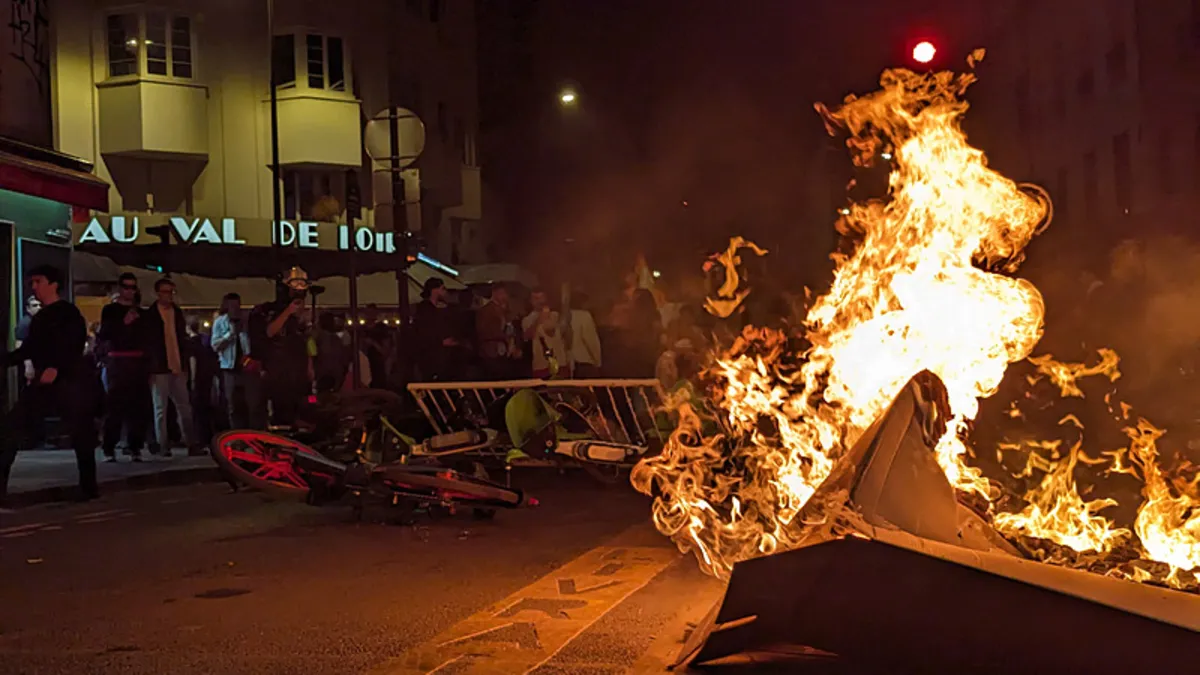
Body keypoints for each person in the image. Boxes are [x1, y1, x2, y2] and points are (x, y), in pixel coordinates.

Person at [0, 265, 98, 503]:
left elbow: (74, 345)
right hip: (45, 382)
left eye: (38, 281)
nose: (34, 287)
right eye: (32, 282)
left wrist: (57, 367)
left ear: (53, 284)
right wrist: (7, 360)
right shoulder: (41, 318)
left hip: (68, 382)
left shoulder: (68, 313)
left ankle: (88, 487)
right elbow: (30, 348)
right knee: (10, 430)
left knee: (81, 433)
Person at [248, 267, 313, 426]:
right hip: (278, 371)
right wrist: (288, 312)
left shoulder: (302, 320)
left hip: (299, 372)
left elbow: (307, 343)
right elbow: (270, 332)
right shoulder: (269, 312)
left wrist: (310, 367)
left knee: (306, 405)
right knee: (282, 410)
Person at [96, 272, 150, 462]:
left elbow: (146, 338)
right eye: (126, 287)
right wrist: (123, 323)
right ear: (120, 288)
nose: (129, 291)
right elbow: (105, 334)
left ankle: (135, 446)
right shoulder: (110, 310)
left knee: (138, 407)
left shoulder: (141, 313)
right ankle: (109, 447)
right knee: (115, 406)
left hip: (137, 362)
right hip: (118, 362)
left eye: (132, 287)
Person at [144, 277, 200, 456]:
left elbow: (181, 339)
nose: (168, 296)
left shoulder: (176, 313)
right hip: (160, 367)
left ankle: (190, 443)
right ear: (158, 293)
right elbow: (150, 344)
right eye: (165, 292)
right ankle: (163, 445)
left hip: (176, 365)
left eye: (171, 292)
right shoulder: (151, 316)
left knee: (183, 407)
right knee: (161, 408)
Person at [210, 292, 258, 429]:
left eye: (237, 304)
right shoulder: (220, 322)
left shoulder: (246, 320)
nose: (235, 308)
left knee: (251, 404)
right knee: (232, 404)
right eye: (231, 305)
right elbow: (215, 345)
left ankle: (252, 432)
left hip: (247, 368)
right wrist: (230, 335)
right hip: (229, 368)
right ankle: (235, 432)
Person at [414, 278, 465, 381]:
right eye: (443, 288)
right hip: (431, 358)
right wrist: (441, 342)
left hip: (436, 356)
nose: (445, 292)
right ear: (435, 290)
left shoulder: (432, 309)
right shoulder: (425, 310)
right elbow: (423, 334)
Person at [475, 284, 522, 380]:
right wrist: (505, 338)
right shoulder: (486, 311)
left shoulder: (505, 310)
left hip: (503, 351)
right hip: (492, 352)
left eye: (505, 294)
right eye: (502, 293)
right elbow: (485, 331)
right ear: (494, 294)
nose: (505, 296)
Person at [522, 287, 569, 379]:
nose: (539, 301)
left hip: (559, 363)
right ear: (530, 301)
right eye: (535, 298)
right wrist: (539, 319)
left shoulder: (555, 315)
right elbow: (527, 336)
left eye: (541, 298)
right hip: (541, 365)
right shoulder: (527, 320)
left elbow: (552, 331)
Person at [568, 290, 603, 379]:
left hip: (569, 365)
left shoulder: (563, 316)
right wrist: (598, 362)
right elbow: (591, 341)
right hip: (584, 364)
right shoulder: (584, 316)